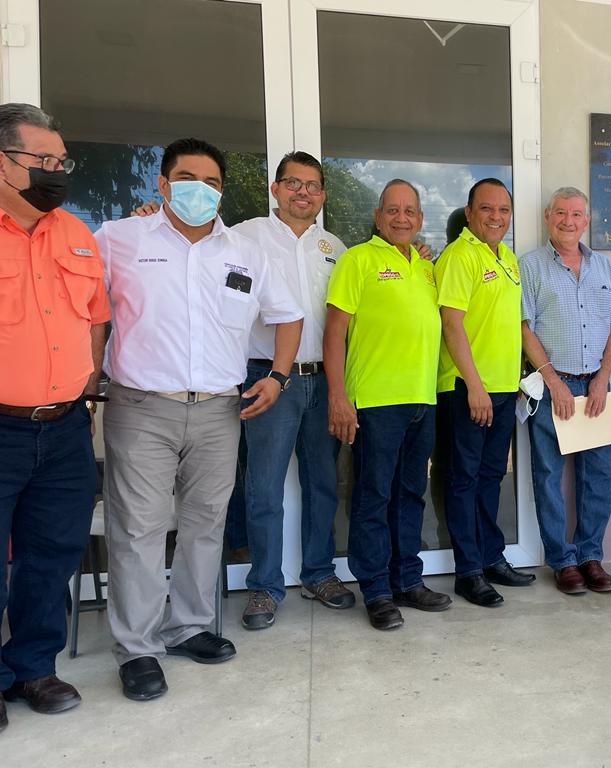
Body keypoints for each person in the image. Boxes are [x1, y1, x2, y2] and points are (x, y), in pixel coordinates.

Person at [98, 138, 303, 702]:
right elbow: (85, 309)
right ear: (163, 185)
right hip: (142, 407)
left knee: (205, 523)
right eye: (188, 179)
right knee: (139, 529)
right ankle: (137, 648)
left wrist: (278, 376)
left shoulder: (244, 252)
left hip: (219, 408)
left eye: (212, 182)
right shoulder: (119, 239)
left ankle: (189, 626)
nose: (201, 190)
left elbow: (288, 316)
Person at [0, 103, 110, 728]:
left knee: (52, 554)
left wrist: (83, 390)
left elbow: (96, 318)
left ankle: (33, 667)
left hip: (65, 426)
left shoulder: (74, 233)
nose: (55, 171)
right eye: (40, 159)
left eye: (61, 161)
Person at [323, 179, 451, 631]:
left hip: (422, 399)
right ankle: (376, 590)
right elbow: (334, 331)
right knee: (373, 496)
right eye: (392, 210)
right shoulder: (357, 260)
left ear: (420, 219)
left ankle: (406, 581)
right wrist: (338, 396)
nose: (401, 217)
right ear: (378, 217)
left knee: (410, 494)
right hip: (376, 402)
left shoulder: (426, 266)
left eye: (409, 211)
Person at [231, 153, 351, 629]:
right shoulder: (244, 237)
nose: (303, 192)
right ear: (275, 189)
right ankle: (264, 585)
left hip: (325, 379)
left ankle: (319, 573)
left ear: (323, 194)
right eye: (293, 183)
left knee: (322, 483)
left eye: (313, 185)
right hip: (267, 377)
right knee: (264, 486)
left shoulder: (335, 247)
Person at [520, 187, 611, 594]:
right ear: (547, 217)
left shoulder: (603, 265)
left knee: (600, 475)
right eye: (560, 213)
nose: (568, 221)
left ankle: (590, 556)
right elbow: (524, 328)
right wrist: (553, 381)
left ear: (587, 220)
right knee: (548, 476)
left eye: (576, 214)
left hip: (596, 386)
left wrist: (602, 379)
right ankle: (563, 561)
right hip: (552, 386)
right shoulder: (530, 265)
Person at [436, 178, 535, 607]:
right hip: (467, 389)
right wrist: (474, 385)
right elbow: (451, 323)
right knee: (463, 479)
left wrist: (515, 381)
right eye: (487, 208)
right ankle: (468, 572)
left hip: (502, 389)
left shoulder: (507, 258)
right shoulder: (460, 256)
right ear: (470, 212)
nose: (496, 217)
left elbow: (506, 325)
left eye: (503, 210)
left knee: (492, 477)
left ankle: (491, 557)